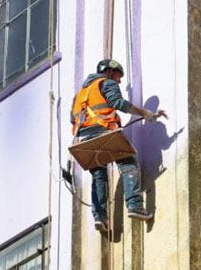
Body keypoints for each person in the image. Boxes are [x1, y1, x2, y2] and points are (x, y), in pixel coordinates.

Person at [70, 59, 166, 232]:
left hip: (85, 139)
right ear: (108, 72)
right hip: (104, 132)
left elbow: (73, 118)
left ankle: (100, 216)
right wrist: (145, 113)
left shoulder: (80, 94)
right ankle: (135, 205)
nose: (119, 81)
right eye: (117, 76)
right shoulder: (106, 83)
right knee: (128, 163)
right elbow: (118, 103)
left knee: (98, 175)